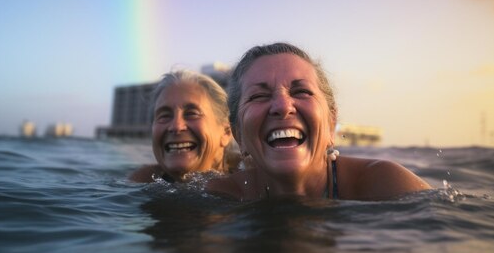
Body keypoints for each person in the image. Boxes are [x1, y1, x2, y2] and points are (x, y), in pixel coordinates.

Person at [207, 42, 431, 200]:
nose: (283, 106)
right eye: (259, 96)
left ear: (331, 123)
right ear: (238, 134)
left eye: (302, 91)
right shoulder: (221, 197)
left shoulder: (386, 184)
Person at [129, 70, 238, 183]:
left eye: (192, 114)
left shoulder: (249, 184)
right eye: (164, 116)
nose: (176, 126)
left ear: (226, 133)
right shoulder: (144, 180)